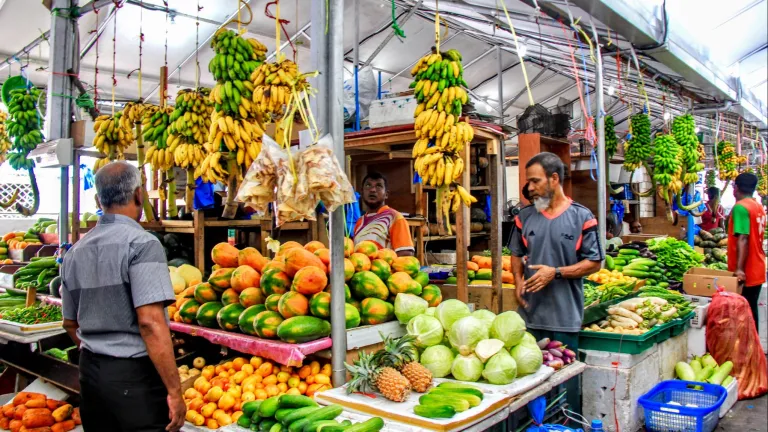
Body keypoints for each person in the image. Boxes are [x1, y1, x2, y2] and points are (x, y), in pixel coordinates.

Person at [61, 161, 184, 432]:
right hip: (134, 376)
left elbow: (69, 323)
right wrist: (174, 391)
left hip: (90, 372)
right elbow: (150, 323)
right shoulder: (143, 244)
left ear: (97, 200)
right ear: (139, 195)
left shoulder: (74, 252)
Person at [509, 152, 603, 413]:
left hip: (564, 319)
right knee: (528, 388)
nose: (530, 187)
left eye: (535, 181)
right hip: (528, 318)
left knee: (565, 388)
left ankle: (569, 426)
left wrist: (556, 272)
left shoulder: (581, 216)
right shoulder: (525, 217)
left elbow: (595, 262)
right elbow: (515, 254)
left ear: (554, 179)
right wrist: (518, 280)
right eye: (528, 182)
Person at [727, 172, 766, 330]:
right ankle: (752, 349)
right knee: (750, 312)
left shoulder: (741, 208)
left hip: (747, 270)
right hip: (758, 266)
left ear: (736, 188)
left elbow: (743, 238)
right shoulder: (757, 206)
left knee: (744, 315)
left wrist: (740, 269)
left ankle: (748, 350)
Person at [352, 172, 415, 256]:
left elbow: (405, 254)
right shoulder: (359, 222)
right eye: (368, 185)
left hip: (384, 268)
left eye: (378, 186)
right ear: (362, 192)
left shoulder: (395, 217)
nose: (372, 190)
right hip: (363, 268)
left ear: (386, 194)